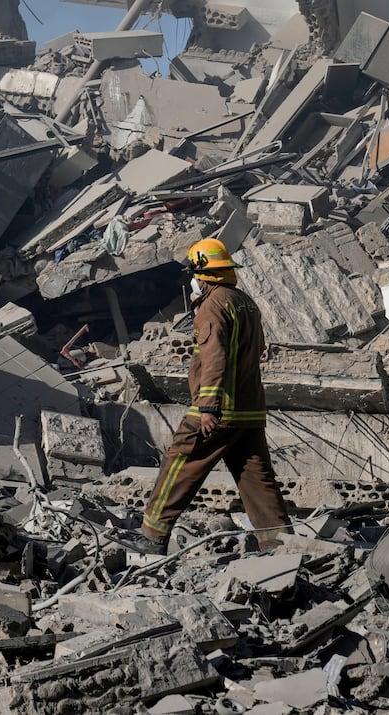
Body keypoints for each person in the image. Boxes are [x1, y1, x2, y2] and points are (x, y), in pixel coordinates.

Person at [129, 237, 292, 554]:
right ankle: (281, 547)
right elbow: (257, 350)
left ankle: (152, 536)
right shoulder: (245, 302)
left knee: (180, 464)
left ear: (202, 274)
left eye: (194, 274)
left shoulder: (212, 307)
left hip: (219, 410)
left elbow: (214, 357)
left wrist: (207, 408)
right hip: (249, 412)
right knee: (257, 483)